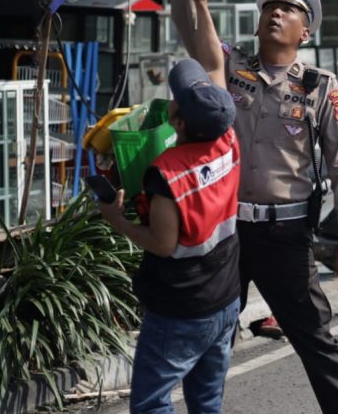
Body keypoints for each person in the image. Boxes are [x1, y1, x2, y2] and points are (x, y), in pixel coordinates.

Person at [171, 0, 338, 414]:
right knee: (211, 338)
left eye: (290, 10)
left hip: (286, 236)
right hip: (229, 231)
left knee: (316, 341)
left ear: (306, 31)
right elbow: (187, 21)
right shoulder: (230, 68)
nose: (277, 13)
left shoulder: (320, 86)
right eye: (270, 8)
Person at [97, 57, 241, 414]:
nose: (172, 98)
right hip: (225, 296)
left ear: (178, 122)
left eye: (177, 98)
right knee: (207, 402)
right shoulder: (228, 139)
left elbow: (163, 245)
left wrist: (117, 220)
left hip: (182, 307)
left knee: (150, 403)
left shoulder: (167, 174)